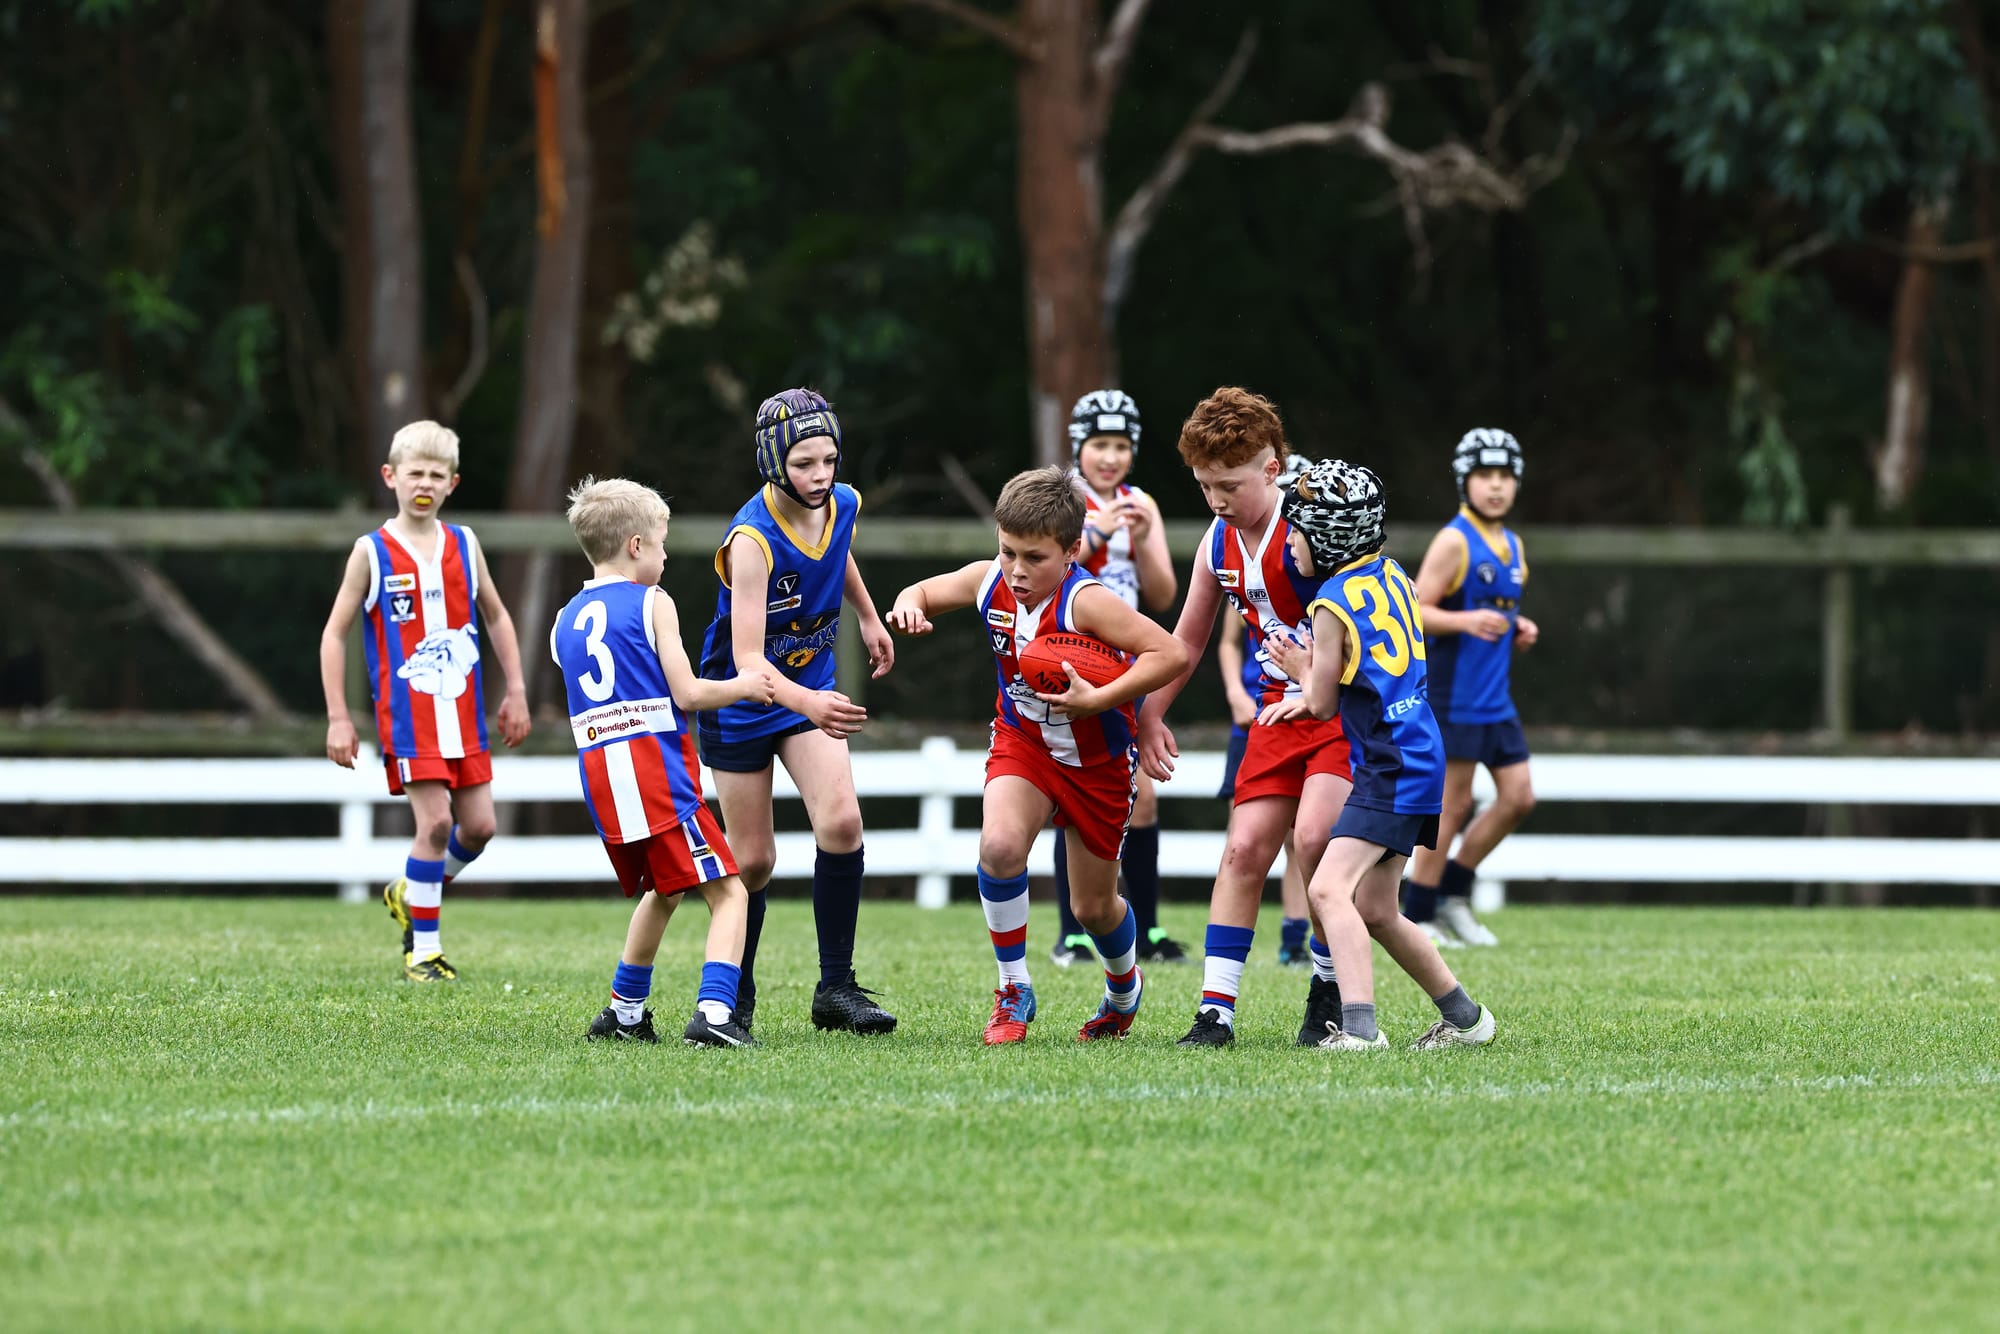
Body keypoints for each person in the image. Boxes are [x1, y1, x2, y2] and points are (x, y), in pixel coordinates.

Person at [885, 466, 1187, 1044]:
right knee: (999, 847)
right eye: (1007, 553)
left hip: (1099, 761)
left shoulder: (1089, 602)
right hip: (1024, 743)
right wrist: (908, 605)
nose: (1018, 571)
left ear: (1072, 551)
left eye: (1034, 558)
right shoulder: (988, 583)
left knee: (1094, 908)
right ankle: (1013, 988)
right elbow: (922, 590)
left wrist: (1098, 697)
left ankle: (1124, 988)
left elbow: (1168, 653)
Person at [1134, 387, 1350, 1049]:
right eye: (1204, 487)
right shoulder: (1215, 542)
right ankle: (1215, 1013)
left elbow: (1374, 611)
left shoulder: (1319, 520)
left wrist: (1319, 662)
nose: (1218, 500)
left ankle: (1327, 991)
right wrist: (1150, 714)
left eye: (1230, 484)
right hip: (1275, 714)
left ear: (1273, 468)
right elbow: (1188, 640)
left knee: (1314, 842)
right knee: (1243, 848)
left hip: (1343, 712)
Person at [1268, 458, 1496, 1051]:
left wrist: (1298, 668)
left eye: (1296, 529)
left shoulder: (1327, 602)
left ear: (1325, 536)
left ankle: (1361, 1031)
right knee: (1376, 908)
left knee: (1325, 891)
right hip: (1420, 753)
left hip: (1389, 763)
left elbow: (1320, 703)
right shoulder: (1394, 573)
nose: (1289, 541)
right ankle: (1467, 1019)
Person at [697, 388, 898, 1036]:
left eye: (829, 461)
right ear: (773, 461)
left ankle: (835, 988)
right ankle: (738, 994)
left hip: (806, 688)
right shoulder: (752, 536)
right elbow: (751, 660)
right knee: (752, 861)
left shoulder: (841, 503)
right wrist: (809, 700)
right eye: (805, 463)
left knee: (841, 823)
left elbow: (838, 552)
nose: (820, 477)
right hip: (743, 698)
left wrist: (868, 616)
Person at [552, 477, 776, 1046]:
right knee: (731, 892)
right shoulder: (653, 602)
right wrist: (746, 684)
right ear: (634, 546)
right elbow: (689, 695)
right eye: (660, 541)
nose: (665, 553)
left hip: (604, 778)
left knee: (665, 887)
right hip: (656, 774)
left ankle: (625, 1014)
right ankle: (717, 1016)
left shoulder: (564, 620)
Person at [319, 420, 531, 982]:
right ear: (391, 476)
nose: (425, 482)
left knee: (479, 827)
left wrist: (515, 689)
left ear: (452, 484)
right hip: (409, 718)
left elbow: (497, 616)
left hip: (463, 716)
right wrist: (339, 718)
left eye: (437, 475)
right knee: (435, 824)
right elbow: (334, 633)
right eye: (415, 471)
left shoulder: (465, 544)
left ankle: (410, 888)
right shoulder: (371, 552)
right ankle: (423, 952)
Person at [1049, 390, 1188, 969]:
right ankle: (1073, 932)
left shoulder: (1140, 503)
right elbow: (1046, 573)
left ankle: (1148, 928)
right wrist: (1098, 533)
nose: (1110, 457)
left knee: (1144, 801)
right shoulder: (1062, 501)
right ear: (1079, 447)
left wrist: (1144, 530)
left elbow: (1162, 595)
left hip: (1126, 667)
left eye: (1122, 445)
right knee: (1069, 795)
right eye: (1099, 445)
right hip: (1067, 659)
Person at [1403, 429, 1539, 948]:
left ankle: (1453, 892)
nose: (1496, 486)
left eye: (1505, 476)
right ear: (1466, 481)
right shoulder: (1455, 540)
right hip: (1455, 697)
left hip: (1495, 699)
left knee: (1519, 798)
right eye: (1486, 476)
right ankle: (1420, 912)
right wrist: (1466, 623)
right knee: (1452, 806)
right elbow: (1414, 608)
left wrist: (1517, 625)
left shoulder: (1513, 545)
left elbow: (1497, 613)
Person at [1216, 614, 1312, 965]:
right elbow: (1227, 641)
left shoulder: (1318, 581)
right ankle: (1225, 957)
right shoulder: (1247, 579)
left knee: (1301, 840)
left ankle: (1294, 941)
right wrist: (1234, 694)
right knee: (1240, 843)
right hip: (1254, 718)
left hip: (1305, 717)